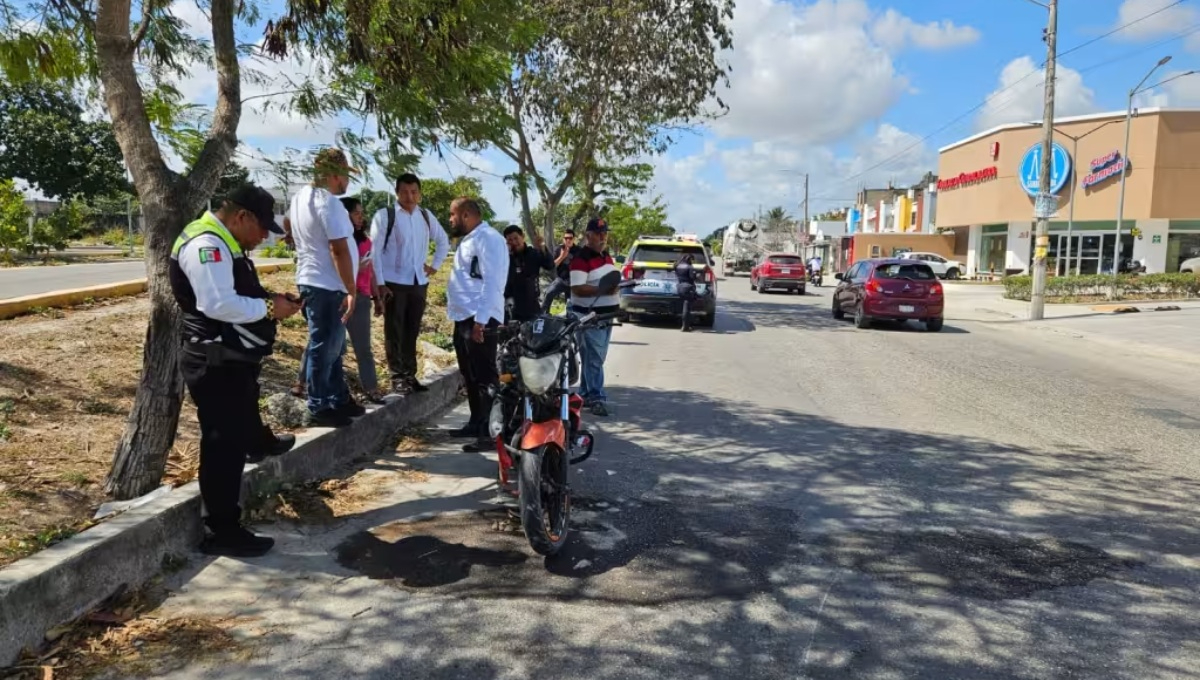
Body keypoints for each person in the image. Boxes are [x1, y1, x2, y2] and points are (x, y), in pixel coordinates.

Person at [170, 184, 302, 557]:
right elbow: (217, 303)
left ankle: (258, 441)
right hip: (213, 360)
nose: (263, 238)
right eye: (262, 229)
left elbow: (235, 291)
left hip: (230, 359)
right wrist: (269, 309)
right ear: (242, 217)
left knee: (241, 415)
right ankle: (222, 530)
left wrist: (271, 299)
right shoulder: (206, 245)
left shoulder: (226, 242)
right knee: (222, 445)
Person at [289, 147, 363, 427]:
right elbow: (339, 250)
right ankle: (319, 404)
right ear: (334, 175)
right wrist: (351, 289)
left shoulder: (299, 198)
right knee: (324, 346)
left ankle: (337, 398)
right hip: (327, 285)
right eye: (345, 176)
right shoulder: (328, 203)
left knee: (333, 345)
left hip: (313, 280)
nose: (347, 183)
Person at [294, 197, 382, 402]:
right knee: (322, 342)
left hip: (359, 298)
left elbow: (371, 271)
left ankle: (371, 387)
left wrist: (375, 296)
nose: (361, 217)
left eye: (362, 213)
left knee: (363, 347)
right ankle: (303, 384)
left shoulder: (364, 241)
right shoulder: (332, 239)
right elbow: (333, 260)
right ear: (343, 215)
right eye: (356, 213)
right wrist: (352, 269)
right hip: (337, 296)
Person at [370, 173, 451, 394]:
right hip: (393, 282)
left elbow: (443, 240)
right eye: (404, 191)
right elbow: (375, 252)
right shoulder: (385, 216)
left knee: (412, 331)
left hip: (418, 282)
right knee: (394, 331)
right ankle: (397, 377)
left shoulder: (424, 215)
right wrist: (379, 283)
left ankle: (409, 374)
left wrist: (434, 266)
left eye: (414, 191)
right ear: (397, 193)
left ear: (420, 194)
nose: (409, 196)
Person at [445, 197, 508, 452]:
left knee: (485, 376)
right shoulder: (469, 239)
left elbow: (493, 281)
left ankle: (490, 432)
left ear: (467, 214)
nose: (450, 219)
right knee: (470, 375)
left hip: (480, 317)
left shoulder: (489, 238)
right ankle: (476, 421)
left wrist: (480, 322)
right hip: (464, 317)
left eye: (453, 214)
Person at [569, 217, 620, 417]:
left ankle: (585, 393)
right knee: (594, 358)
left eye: (604, 233)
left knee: (593, 357)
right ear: (588, 236)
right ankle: (597, 396)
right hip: (589, 317)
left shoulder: (606, 256)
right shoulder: (581, 259)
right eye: (598, 234)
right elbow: (578, 289)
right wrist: (604, 290)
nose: (602, 237)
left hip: (606, 316)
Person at [503, 225, 555, 322]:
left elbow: (550, 265)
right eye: (510, 240)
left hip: (532, 307)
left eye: (516, 238)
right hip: (511, 308)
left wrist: (542, 248)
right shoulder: (504, 258)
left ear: (522, 236)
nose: (514, 242)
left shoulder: (533, 253)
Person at [542, 229, 579, 313]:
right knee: (548, 293)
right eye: (566, 238)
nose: (568, 240)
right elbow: (552, 266)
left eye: (570, 238)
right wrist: (562, 256)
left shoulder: (579, 250)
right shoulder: (558, 249)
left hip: (574, 282)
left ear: (574, 239)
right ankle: (544, 315)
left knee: (570, 305)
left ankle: (569, 321)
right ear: (563, 239)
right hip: (561, 280)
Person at [674, 253, 698, 333]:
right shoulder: (689, 267)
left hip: (679, 287)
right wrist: (696, 275)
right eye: (692, 260)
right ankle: (685, 326)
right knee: (687, 308)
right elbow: (692, 278)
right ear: (689, 259)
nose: (692, 262)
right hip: (688, 288)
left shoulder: (678, 266)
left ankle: (684, 324)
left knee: (683, 306)